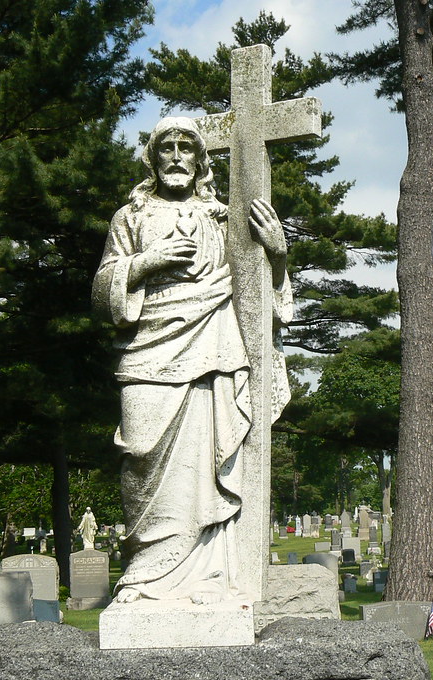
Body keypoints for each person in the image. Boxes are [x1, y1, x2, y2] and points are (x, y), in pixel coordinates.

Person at [92, 116, 291, 604]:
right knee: (140, 454)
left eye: (187, 147)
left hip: (210, 346)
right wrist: (148, 261)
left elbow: (257, 296)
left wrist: (279, 255)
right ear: (153, 158)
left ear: (201, 160)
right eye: (168, 147)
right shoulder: (131, 217)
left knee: (206, 462)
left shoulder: (223, 218)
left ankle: (207, 579)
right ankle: (144, 576)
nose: (177, 155)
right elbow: (102, 294)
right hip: (147, 350)